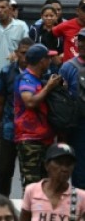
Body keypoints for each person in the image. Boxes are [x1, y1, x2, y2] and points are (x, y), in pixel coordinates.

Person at [15, 44, 61, 187]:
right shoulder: (26, 79)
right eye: (48, 58)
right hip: (30, 140)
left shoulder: (40, 77)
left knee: (45, 184)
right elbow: (29, 102)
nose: (50, 61)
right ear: (42, 61)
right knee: (31, 185)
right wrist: (48, 87)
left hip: (45, 139)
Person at [0, 38, 31, 196]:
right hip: (9, 129)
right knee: (5, 171)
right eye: (22, 53)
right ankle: (4, 205)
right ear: (16, 53)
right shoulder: (7, 72)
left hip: (31, 133)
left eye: (29, 54)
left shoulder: (43, 71)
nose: (25, 57)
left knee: (30, 175)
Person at [20, 143, 85, 221]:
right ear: (46, 165)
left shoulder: (81, 197)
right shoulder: (32, 191)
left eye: (68, 164)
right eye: (59, 163)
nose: (64, 169)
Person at [58, 30, 85, 187]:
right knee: (79, 166)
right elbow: (60, 99)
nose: (81, 44)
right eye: (79, 40)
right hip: (76, 125)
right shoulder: (68, 67)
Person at [0, 0, 29, 73]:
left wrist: (17, 54)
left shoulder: (21, 26)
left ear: (10, 9)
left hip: (15, 71)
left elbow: (27, 48)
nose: (0, 10)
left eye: (3, 7)